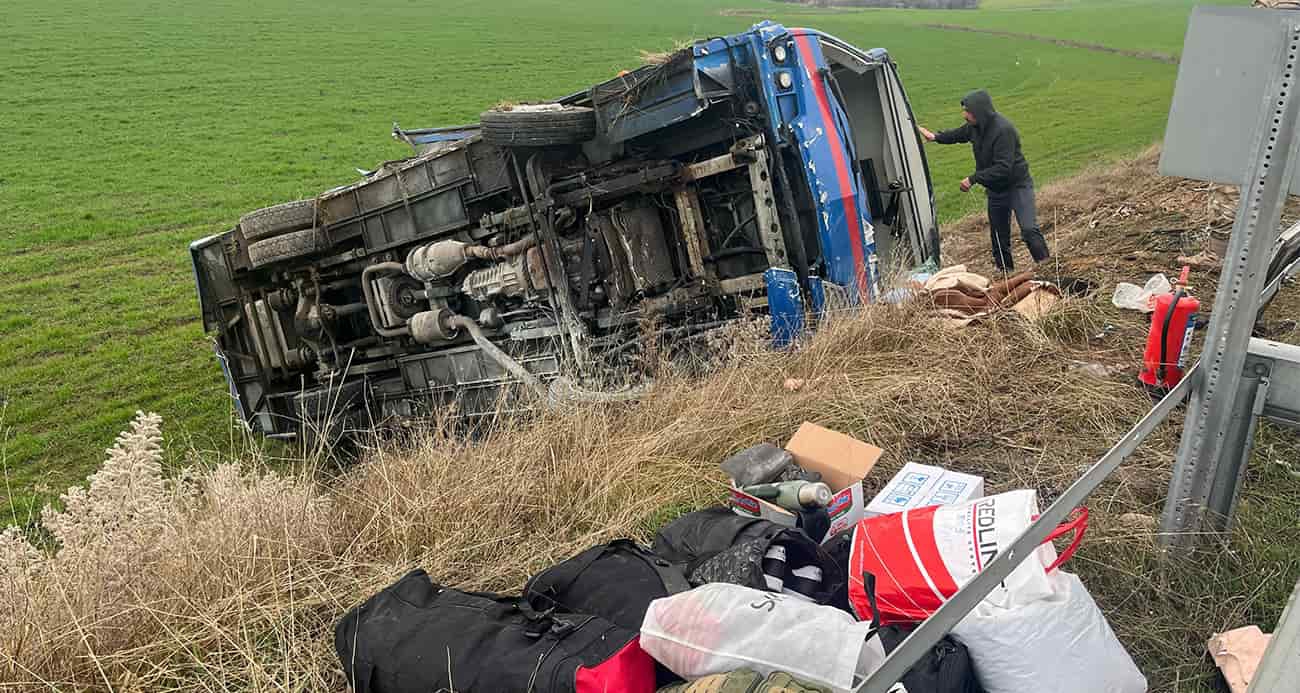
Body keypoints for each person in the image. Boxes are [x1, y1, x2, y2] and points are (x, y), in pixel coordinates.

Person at [918, 90, 1050, 272]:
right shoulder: (975, 127)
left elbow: (1004, 168)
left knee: (1028, 230)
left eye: (968, 111)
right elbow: (958, 135)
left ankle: (1048, 268)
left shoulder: (1003, 131)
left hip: (1017, 186)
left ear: (980, 111)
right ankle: (1006, 274)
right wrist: (935, 137)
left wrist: (973, 179)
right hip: (996, 191)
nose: (965, 115)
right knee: (998, 238)